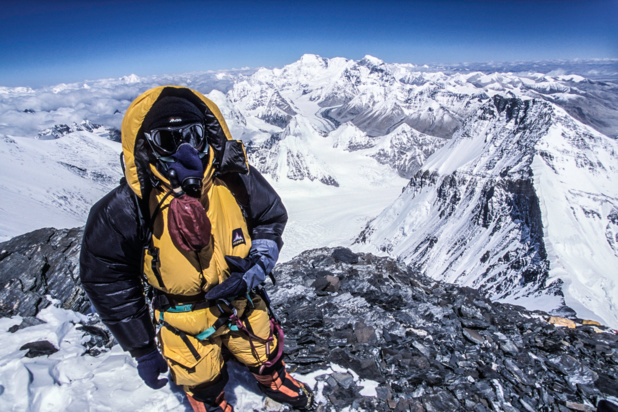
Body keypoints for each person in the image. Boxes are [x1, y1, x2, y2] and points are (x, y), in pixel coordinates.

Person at [80, 85, 313, 411]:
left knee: (263, 349)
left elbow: (269, 218)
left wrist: (256, 266)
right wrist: (143, 348)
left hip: (241, 301)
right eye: (167, 140)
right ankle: (210, 400)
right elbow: (108, 278)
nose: (184, 151)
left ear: (208, 135)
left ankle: (272, 378)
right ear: (147, 147)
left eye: (193, 135)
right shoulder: (126, 208)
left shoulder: (236, 180)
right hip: (183, 318)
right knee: (200, 375)